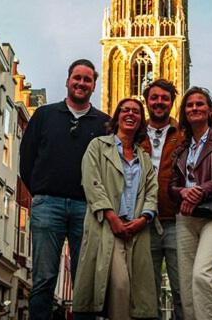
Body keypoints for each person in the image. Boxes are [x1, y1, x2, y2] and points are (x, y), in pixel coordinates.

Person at [19, 59, 109, 320]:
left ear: (94, 85)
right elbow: (27, 158)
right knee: (44, 278)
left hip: (87, 208)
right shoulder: (44, 115)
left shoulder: (104, 123)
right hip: (49, 204)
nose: (81, 83)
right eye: (77, 78)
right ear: (68, 80)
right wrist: (40, 191)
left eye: (87, 79)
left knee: (84, 280)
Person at [73, 98, 159, 320]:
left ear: (141, 121)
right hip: (108, 226)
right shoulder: (98, 146)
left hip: (136, 229)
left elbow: (152, 190)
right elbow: (92, 183)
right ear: (117, 116)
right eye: (125, 110)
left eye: (136, 112)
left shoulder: (144, 158)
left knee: (136, 293)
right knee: (120, 285)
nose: (130, 114)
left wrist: (145, 217)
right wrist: (112, 217)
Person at [169, 86, 212, 320]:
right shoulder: (181, 149)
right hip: (186, 217)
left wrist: (200, 191)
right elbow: (172, 186)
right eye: (189, 105)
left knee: (202, 275)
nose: (194, 108)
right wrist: (183, 193)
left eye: (200, 104)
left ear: (210, 110)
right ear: (184, 112)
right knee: (187, 285)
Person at [141, 79, 184, 320]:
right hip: (144, 223)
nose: (159, 102)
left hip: (177, 221)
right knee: (148, 291)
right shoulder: (134, 133)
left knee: (181, 290)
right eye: (154, 98)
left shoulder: (184, 134)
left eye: (164, 98)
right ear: (146, 101)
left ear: (172, 102)